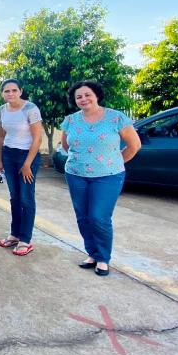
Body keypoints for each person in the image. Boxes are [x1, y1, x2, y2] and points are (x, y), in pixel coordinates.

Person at [61, 81, 141, 276]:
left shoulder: (116, 118)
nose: (83, 99)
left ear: (96, 95)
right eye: (78, 97)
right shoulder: (70, 120)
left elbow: (134, 145)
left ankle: (103, 258)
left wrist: (115, 162)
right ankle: (92, 254)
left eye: (87, 94)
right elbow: (65, 146)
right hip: (76, 174)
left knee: (99, 216)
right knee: (83, 216)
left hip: (108, 176)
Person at [0, 79, 43, 257]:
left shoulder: (30, 109)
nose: (10, 94)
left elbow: (37, 138)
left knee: (26, 198)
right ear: (2, 93)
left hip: (27, 156)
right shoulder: (2, 110)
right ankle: (15, 234)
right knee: (14, 197)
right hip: (9, 155)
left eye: (14, 90)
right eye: (7, 91)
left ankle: (25, 239)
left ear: (20, 91)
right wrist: (0, 160)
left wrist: (27, 164)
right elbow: (1, 137)